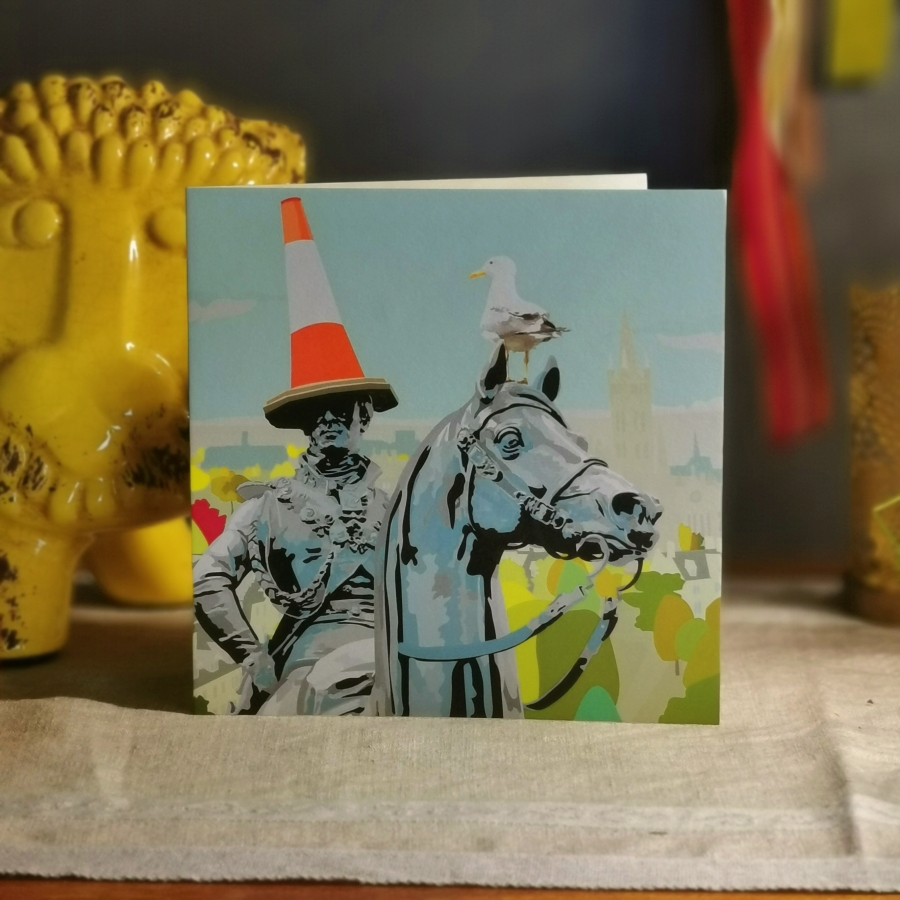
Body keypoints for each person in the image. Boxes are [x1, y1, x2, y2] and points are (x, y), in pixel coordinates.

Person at [194, 395, 387, 715]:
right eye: (316, 412)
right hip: (309, 656)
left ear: (363, 417)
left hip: (393, 654)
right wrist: (253, 658)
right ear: (305, 424)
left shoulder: (393, 509)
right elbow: (206, 578)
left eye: (340, 409)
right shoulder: (267, 507)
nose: (328, 419)